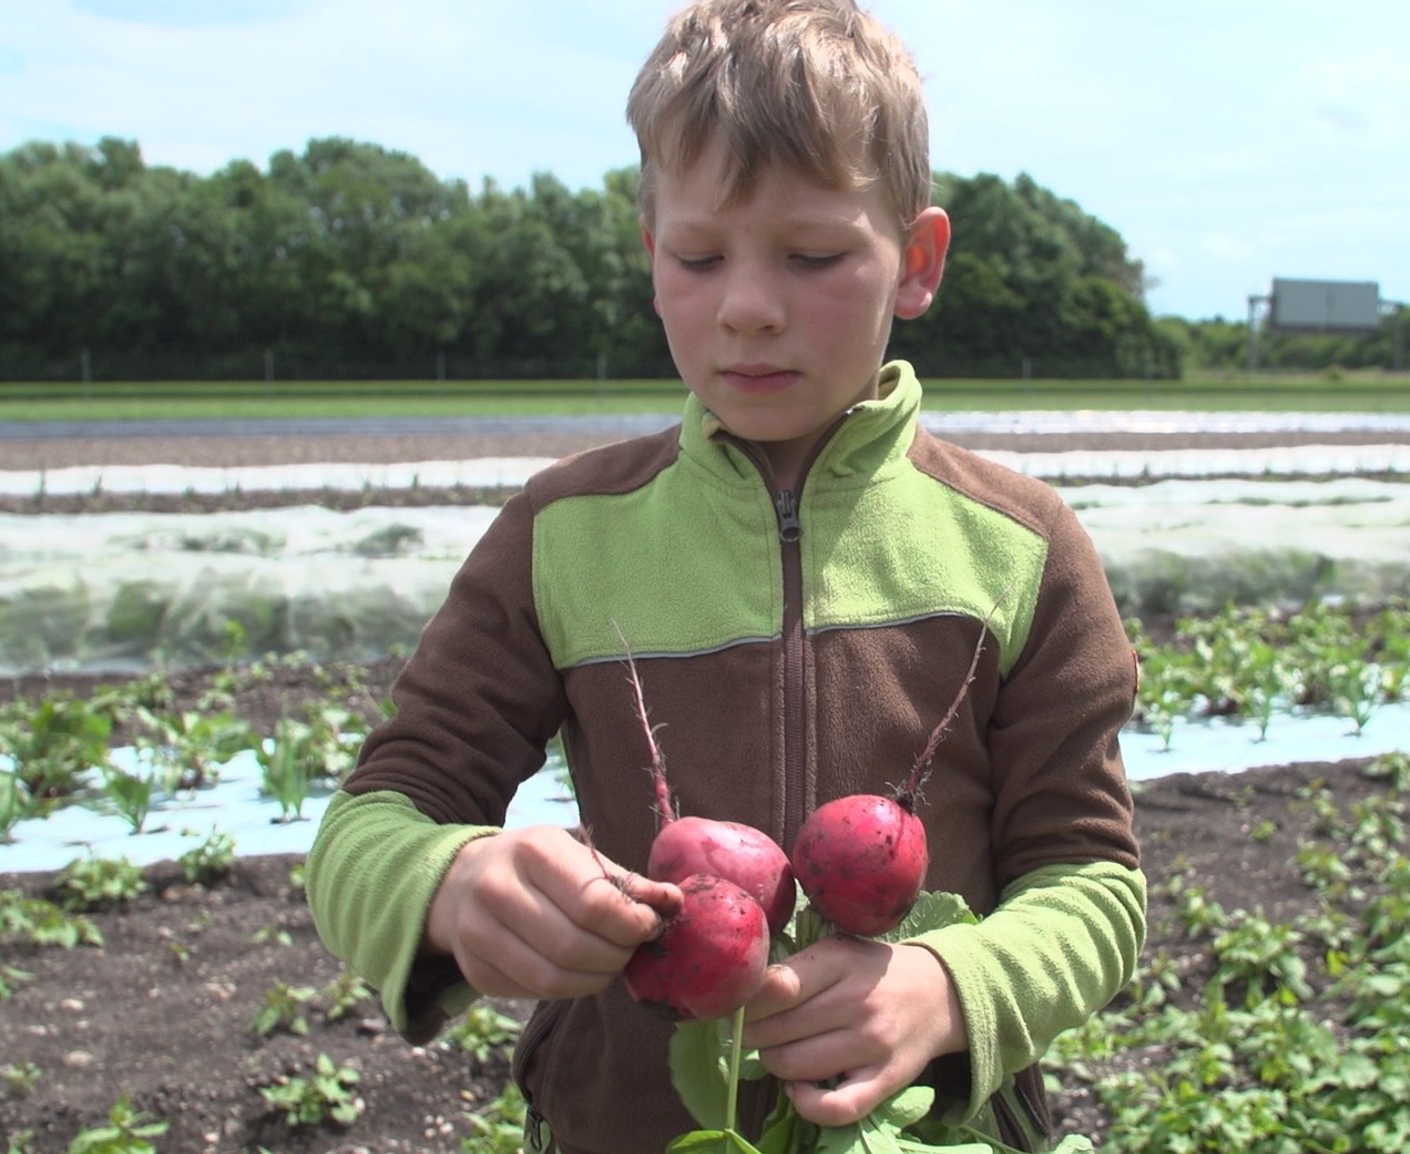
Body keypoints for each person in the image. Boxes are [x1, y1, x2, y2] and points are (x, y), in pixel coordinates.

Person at [304, 1, 1147, 1150]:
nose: (747, 305)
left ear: (916, 261)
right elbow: (373, 819)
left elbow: (1090, 883)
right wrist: (447, 880)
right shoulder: (565, 532)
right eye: (700, 256)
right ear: (651, 258)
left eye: (811, 255)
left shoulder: (1019, 543)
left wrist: (949, 988)